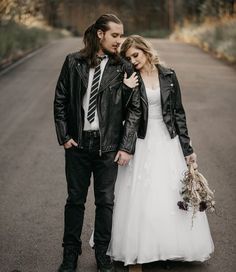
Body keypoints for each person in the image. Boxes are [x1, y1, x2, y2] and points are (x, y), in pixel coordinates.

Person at [107, 35, 214, 269]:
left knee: (169, 193)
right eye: (128, 58)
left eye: (136, 55)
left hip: (168, 140)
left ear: (146, 51)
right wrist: (125, 89)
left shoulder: (168, 75)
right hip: (142, 140)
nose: (133, 60)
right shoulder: (129, 77)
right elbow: (124, 114)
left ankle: (169, 248)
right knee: (142, 195)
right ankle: (142, 248)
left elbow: (178, 114)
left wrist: (188, 149)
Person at [54, 15, 141, 272]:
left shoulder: (124, 67)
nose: (120, 41)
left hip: (109, 147)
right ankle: (70, 255)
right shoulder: (73, 62)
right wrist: (64, 135)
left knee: (105, 202)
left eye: (122, 35)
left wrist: (126, 146)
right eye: (115, 35)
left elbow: (134, 110)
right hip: (78, 145)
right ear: (100, 34)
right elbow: (60, 100)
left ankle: (102, 254)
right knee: (75, 201)